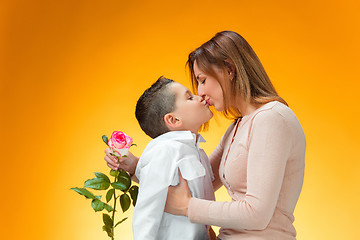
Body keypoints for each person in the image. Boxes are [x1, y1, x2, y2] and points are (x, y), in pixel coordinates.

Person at [105, 31, 306, 240]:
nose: (200, 92)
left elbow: (257, 214)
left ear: (229, 69)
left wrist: (187, 207)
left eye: (202, 80)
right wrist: (136, 167)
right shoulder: (237, 127)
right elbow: (199, 181)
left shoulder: (271, 118)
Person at [129, 76, 216, 240]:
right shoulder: (163, 150)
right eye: (190, 97)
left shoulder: (197, 151)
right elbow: (147, 212)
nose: (200, 96)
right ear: (174, 120)